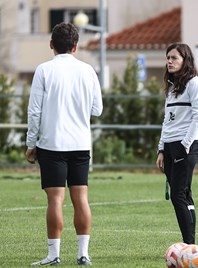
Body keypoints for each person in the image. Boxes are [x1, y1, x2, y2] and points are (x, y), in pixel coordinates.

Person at [25, 22, 103, 266]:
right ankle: (83, 254)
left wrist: (30, 143)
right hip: (80, 144)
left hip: (52, 144)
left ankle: (53, 254)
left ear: (51, 45)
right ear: (75, 47)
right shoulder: (88, 70)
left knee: (55, 200)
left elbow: (34, 111)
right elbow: (97, 110)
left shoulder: (43, 70)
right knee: (81, 199)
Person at [156, 43, 198, 244]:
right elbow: (166, 121)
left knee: (178, 195)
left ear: (186, 60)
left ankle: (189, 246)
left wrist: (185, 144)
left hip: (184, 146)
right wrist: (161, 149)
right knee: (184, 194)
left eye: (174, 58)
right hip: (169, 146)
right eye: (168, 57)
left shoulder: (195, 84)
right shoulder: (171, 87)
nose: (169, 61)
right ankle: (191, 245)